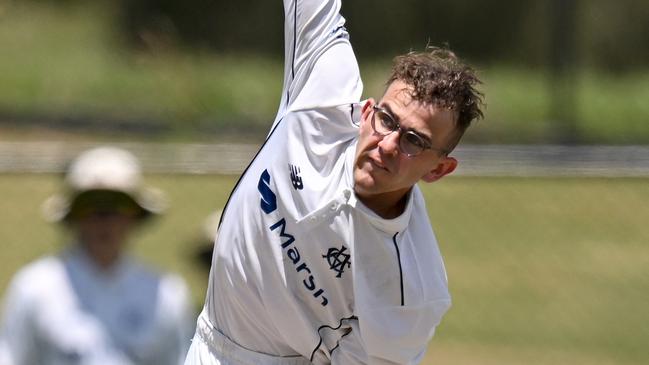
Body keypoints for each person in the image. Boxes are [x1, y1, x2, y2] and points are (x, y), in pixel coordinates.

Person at [185, 0, 484, 363]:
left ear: (438, 170)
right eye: (387, 120)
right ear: (367, 110)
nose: (387, 144)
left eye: (413, 141)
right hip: (204, 341)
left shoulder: (412, 291)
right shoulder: (323, 97)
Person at [0, 146, 194, 365]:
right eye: (90, 206)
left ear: (135, 216)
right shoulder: (34, 288)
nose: (104, 220)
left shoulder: (167, 294)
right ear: (73, 216)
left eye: (118, 206)